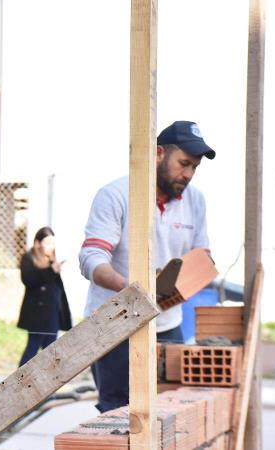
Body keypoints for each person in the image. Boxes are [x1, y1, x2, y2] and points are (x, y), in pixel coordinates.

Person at [78, 120, 216, 412]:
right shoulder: (115, 195)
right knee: (117, 413)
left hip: (168, 325)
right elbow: (91, 258)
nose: (188, 174)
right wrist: (131, 290)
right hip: (114, 325)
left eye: (194, 167)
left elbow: (202, 257)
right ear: (158, 153)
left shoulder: (196, 201)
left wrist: (192, 277)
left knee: (170, 411)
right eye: (184, 164)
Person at [16, 227, 72, 366]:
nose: (51, 247)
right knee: (33, 347)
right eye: (47, 243)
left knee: (51, 352)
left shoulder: (51, 260)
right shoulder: (29, 258)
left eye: (53, 243)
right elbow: (29, 279)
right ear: (37, 243)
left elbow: (57, 289)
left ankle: (46, 385)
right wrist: (50, 270)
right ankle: (19, 381)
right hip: (37, 314)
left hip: (52, 313)